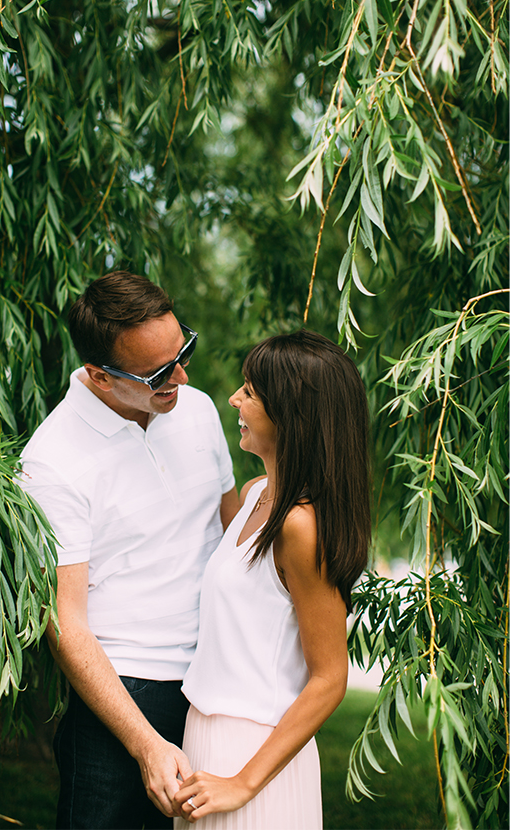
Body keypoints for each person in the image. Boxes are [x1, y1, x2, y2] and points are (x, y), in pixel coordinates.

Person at [20, 270, 240, 829]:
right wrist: (146, 745)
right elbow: (64, 623)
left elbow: (233, 536)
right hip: (124, 700)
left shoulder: (197, 409)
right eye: (160, 373)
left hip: (218, 685)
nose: (182, 377)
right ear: (98, 375)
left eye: (182, 351)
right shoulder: (51, 460)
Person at [173, 330, 371, 827]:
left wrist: (242, 783)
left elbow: (330, 678)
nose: (234, 399)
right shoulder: (253, 493)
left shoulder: (301, 527)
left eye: (250, 391)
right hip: (202, 739)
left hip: (257, 757)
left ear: (291, 415)